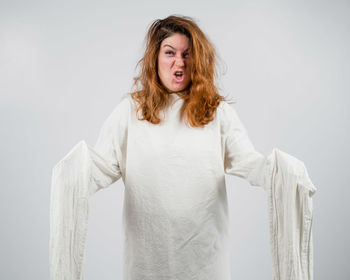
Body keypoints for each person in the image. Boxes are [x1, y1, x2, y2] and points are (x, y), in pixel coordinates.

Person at [50, 15, 316, 280]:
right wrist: (74, 170)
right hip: (146, 265)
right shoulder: (131, 111)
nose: (180, 62)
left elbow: (250, 163)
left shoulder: (217, 113)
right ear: (155, 58)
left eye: (187, 54)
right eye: (170, 53)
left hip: (205, 264)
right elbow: (103, 167)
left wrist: (282, 172)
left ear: (197, 60)